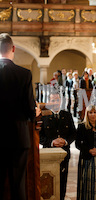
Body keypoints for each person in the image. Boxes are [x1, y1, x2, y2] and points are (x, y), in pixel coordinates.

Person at [0, 33, 36, 200]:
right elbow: (30, 110)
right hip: (18, 138)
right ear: (13, 48)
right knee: (18, 185)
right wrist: (34, 112)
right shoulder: (24, 74)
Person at [39, 92, 76, 200]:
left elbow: (73, 133)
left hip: (64, 152)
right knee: (48, 181)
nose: (55, 102)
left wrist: (65, 141)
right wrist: (51, 142)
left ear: (60, 101)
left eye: (57, 100)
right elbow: (40, 136)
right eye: (53, 100)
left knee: (63, 180)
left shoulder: (67, 115)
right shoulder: (44, 116)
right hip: (48, 154)